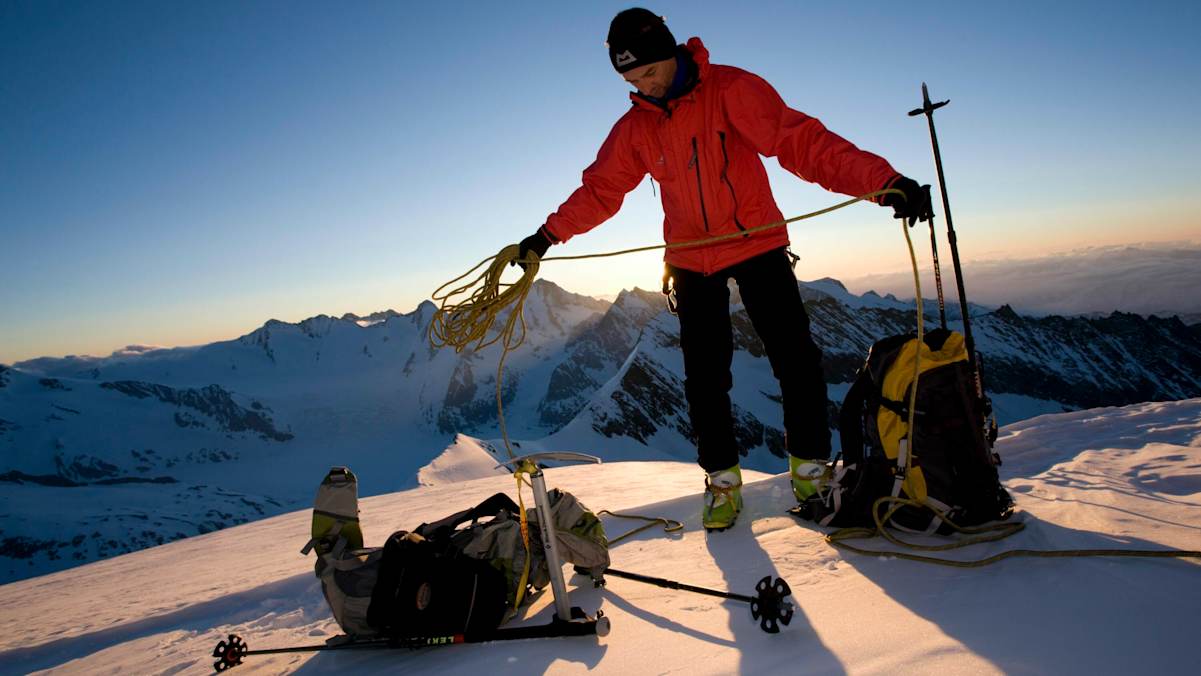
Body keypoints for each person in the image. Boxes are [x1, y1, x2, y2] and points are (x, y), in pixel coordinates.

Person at [516, 8, 933, 530]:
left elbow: (801, 142)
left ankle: (809, 469)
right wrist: (547, 235)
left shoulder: (730, 89)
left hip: (757, 244)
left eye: (647, 72)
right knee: (705, 379)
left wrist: (882, 181)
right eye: (630, 79)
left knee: (796, 359)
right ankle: (721, 481)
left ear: (670, 52)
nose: (642, 86)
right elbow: (602, 189)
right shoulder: (636, 127)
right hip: (692, 260)